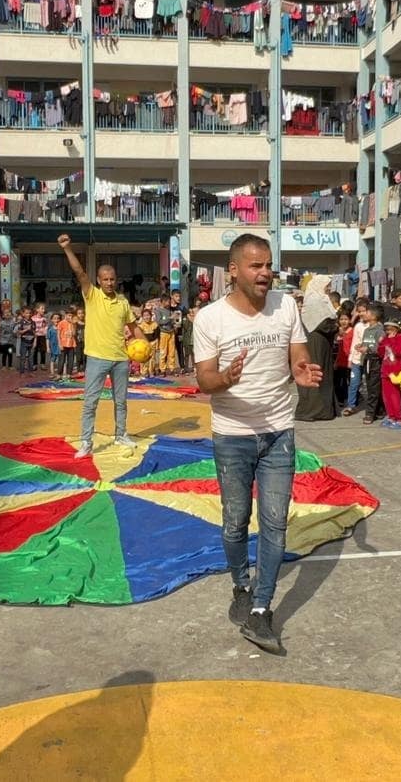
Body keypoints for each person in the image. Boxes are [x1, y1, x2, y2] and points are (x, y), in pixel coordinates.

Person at [192, 233, 323, 656]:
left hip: (279, 431)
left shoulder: (285, 305)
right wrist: (224, 379)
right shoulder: (210, 319)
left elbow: (297, 352)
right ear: (233, 271)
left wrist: (301, 370)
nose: (265, 273)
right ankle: (240, 585)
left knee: (275, 521)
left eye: (269, 265)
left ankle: (263, 609)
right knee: (234, 521)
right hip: (232, 435)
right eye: (255, 266)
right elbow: (204, 379)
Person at [58, 235, 141, 457]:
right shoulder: (91, 295)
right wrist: (67, 248)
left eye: (112, 279)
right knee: (90, 402)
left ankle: (121, 434)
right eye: (105, 280)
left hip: (121, 359)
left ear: (116, 279)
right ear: (99, 280)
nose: (110, 283)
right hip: (96, 358)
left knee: (121, 401)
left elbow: (133, 327)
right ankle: (86, 441)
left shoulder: (123, 301)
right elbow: (80, 273)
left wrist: (145, 346)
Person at [295, 274, 338, 423]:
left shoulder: (322, 299)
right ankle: (310, 411)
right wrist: (334, 325)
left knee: (324, 373)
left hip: (323, 342)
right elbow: (321, 324)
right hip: (315, 341)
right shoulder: (314, 300)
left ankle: (324, 410)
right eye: (327, 286)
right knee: (315, 372)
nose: (329, 289)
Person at [378, 319, 401, 429]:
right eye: (387, 328)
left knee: (395, 395)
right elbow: (381, 352)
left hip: (396, 370)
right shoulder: (385, 339)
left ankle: (399, 418)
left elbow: (399, 352)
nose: (388, 331)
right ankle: (391, 416)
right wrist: (383, 342)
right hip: (385, 370)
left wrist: (390, 341)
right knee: (386, 396)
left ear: (396, 328)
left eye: (390, 328)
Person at [157, 291, 182, 374]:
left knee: (171, 351)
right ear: (162, 302)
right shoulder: (158, 311)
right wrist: (170, 318)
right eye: (167, 301)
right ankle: (162, 369)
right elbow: (159, 321)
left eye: (169, 301)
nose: (169, 303)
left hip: (171, 333)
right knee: (163, 351)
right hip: (164, 333)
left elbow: (173, 320)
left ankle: (172, 368)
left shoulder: (169, 310)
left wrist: (174, 324)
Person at [55, 310, 77, 379]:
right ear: (66, 315)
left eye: (71, 316)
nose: (70, 317)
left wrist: (73, 324)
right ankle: (59, 375)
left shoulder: (73, 324)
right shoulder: (61, 323)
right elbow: (58, 334)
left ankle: (69, 374)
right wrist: (59, 344)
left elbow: (74, 334)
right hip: (63, 344)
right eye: (69, 315)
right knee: (62, 360)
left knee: (71, 360)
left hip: (71, 344)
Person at [13, 308, 36, 374]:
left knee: (31, 358)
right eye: (26, 313)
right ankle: (22, 372)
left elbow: (35, 333)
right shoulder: (21, 322)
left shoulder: (33, 322)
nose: (28, 314)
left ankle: (31, 371)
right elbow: (19, 332)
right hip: (24, 342)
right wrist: (26, 330)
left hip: (31, 342)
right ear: (23, 314)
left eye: (29, 313)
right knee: (22, 357)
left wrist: (35, 342)